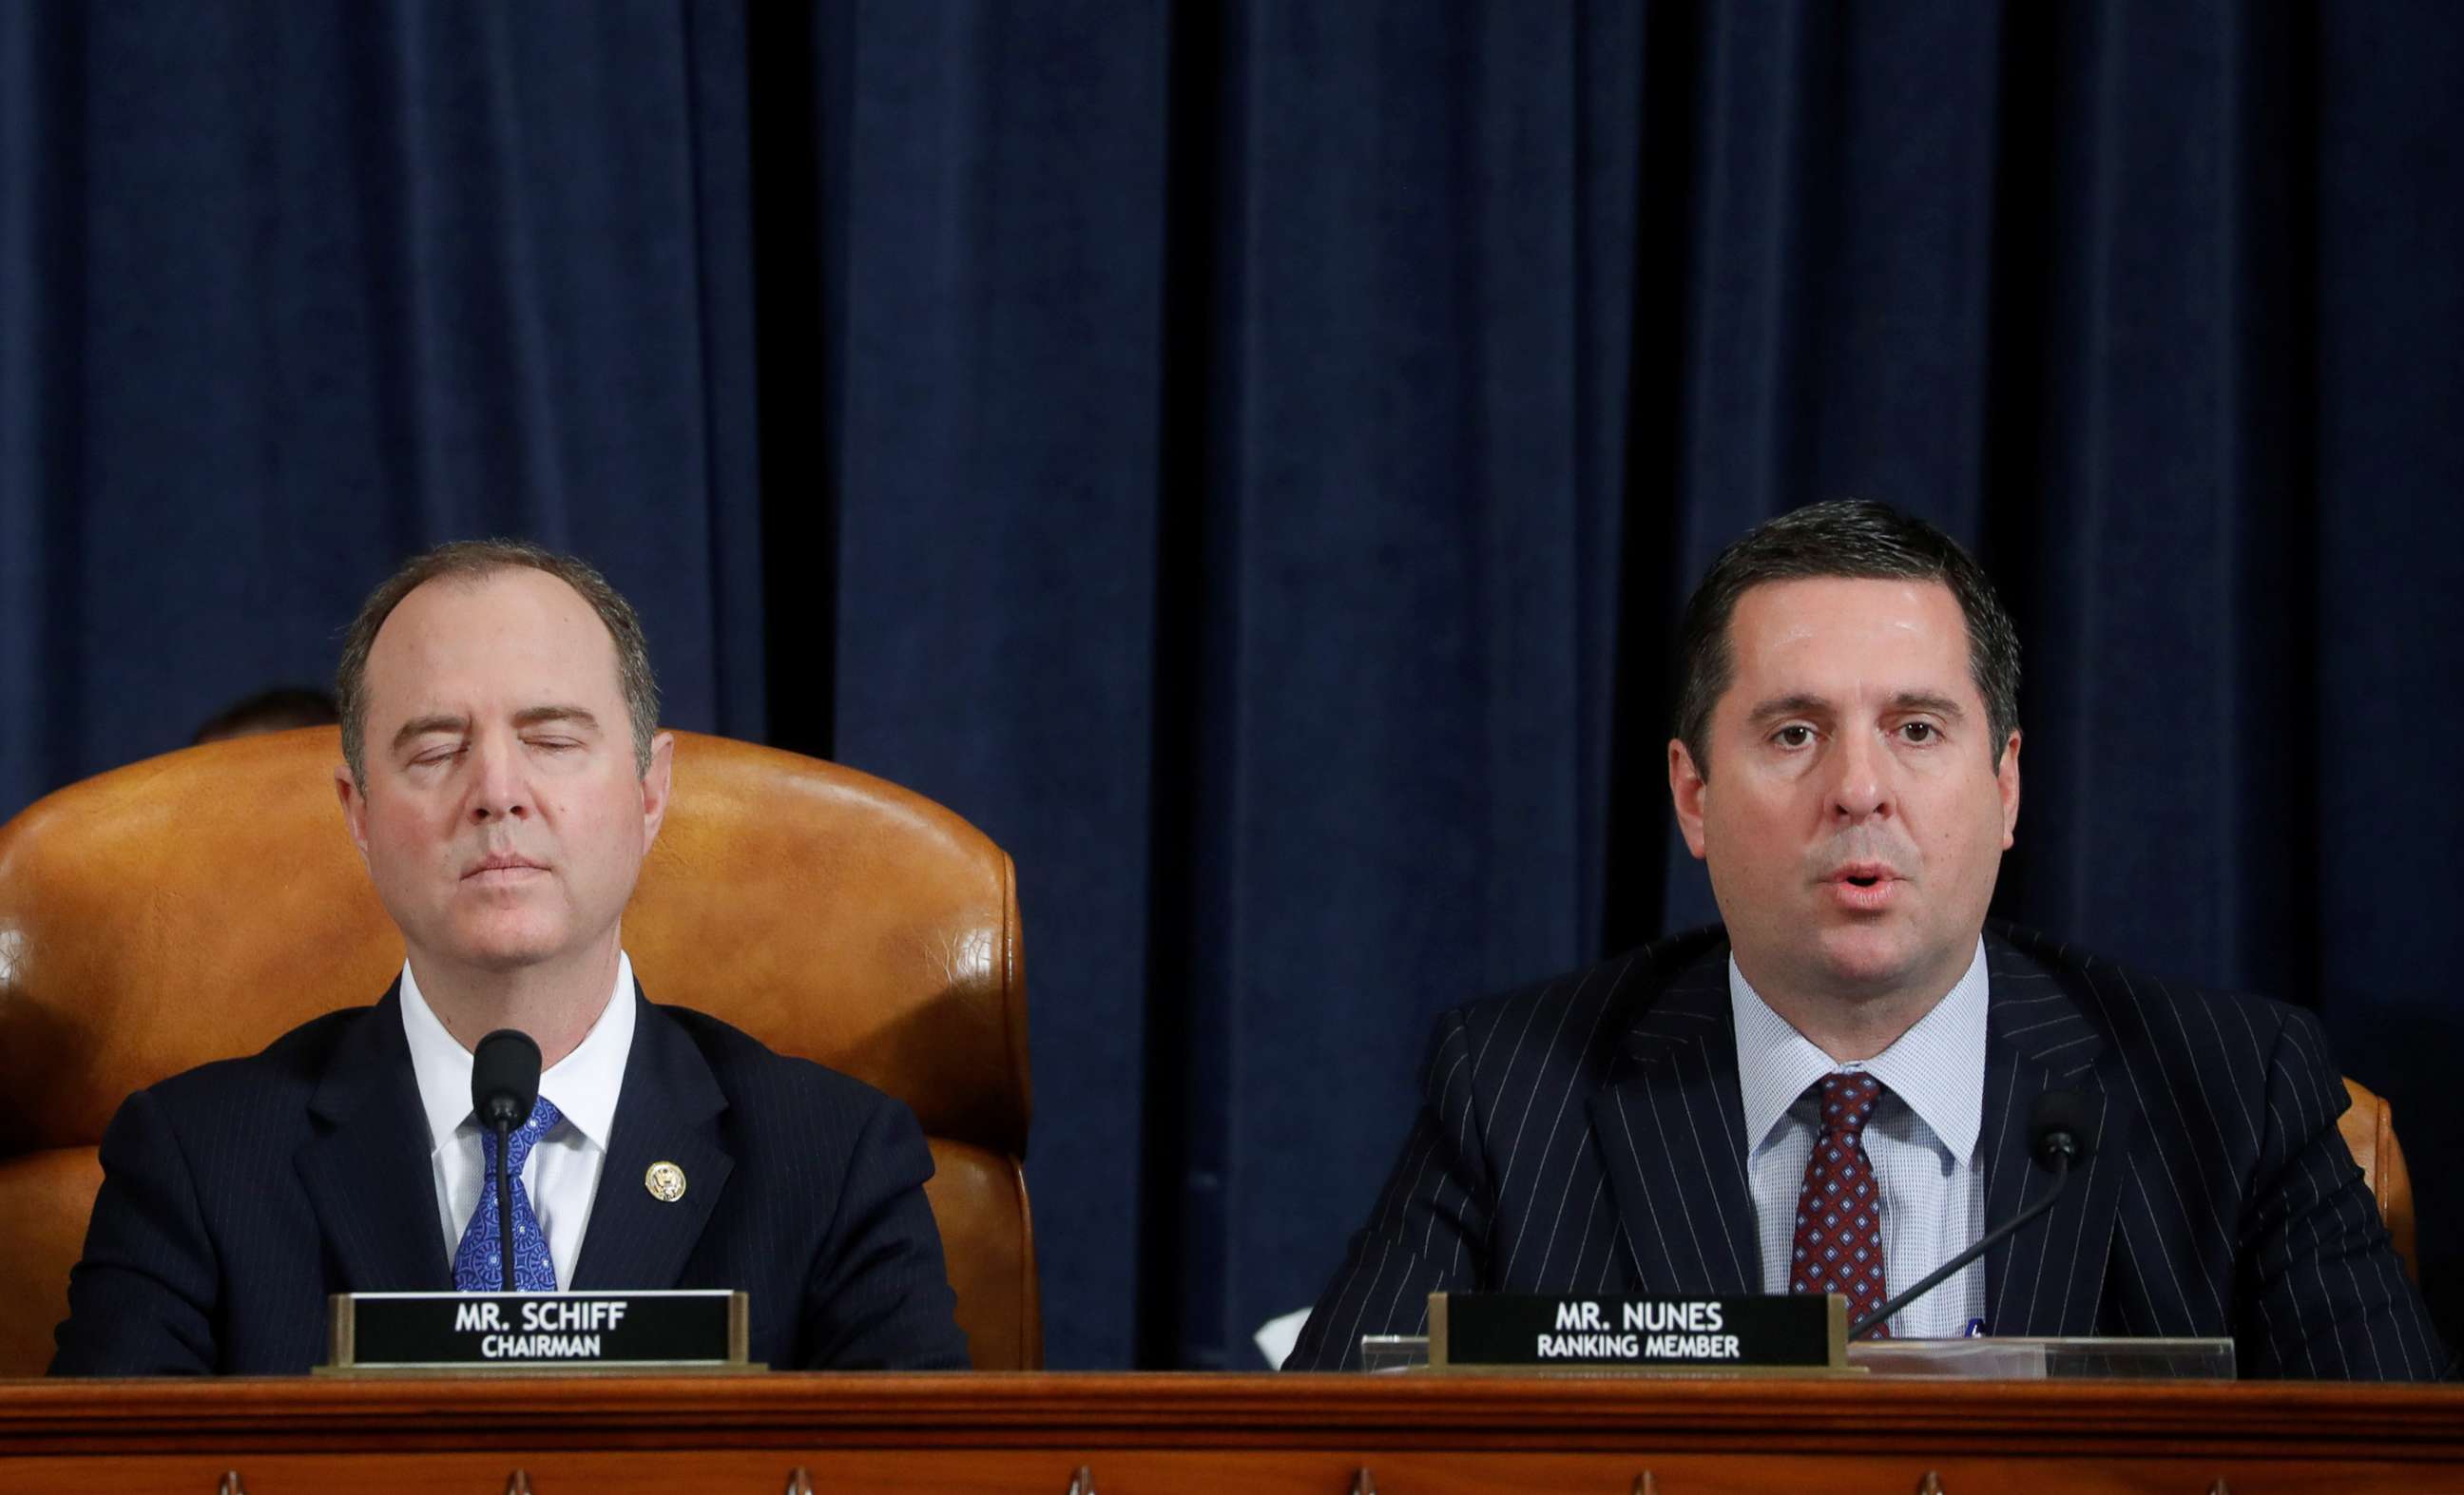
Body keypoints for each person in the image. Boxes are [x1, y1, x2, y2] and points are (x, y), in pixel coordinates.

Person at [1289, 501, 2447, 1378]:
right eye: (1794, 732)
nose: (1859, 788)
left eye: (1917, 728)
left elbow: (2401, 1476)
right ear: (1692, 796)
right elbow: (1313, 1467)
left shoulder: (2231, 1094)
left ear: (2005, 789)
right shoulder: (1516, 1091)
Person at [52, 540, 970, 1373]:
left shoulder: (833, 1162)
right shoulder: (197, 1165)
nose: (497, 792)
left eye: (552, 740)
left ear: (651, 793)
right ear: (358, 814)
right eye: (437, 748)